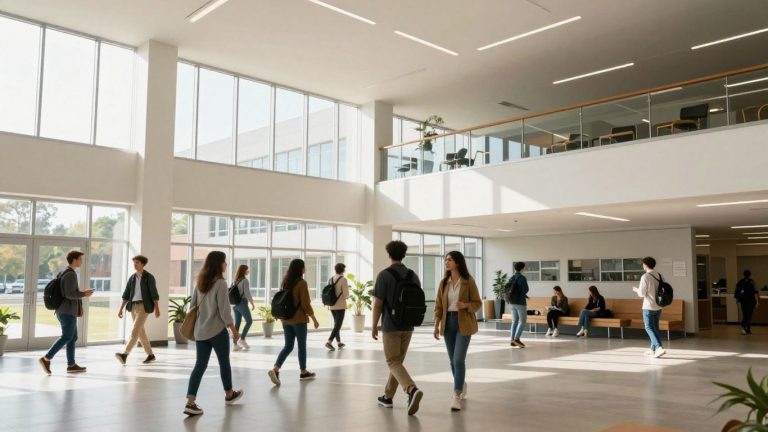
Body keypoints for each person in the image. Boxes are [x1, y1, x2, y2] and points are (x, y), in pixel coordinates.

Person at [184, 251, 244, 416]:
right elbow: (224, 311)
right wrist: (234, 330)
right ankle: (229, 394)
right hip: (217, 331)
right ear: (218, 264)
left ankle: (190, 402)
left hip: (200, 331)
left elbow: (192, 307)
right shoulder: (221, 283)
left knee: (200, 365)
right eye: (224, 261)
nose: (226, 264)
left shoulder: (200, 282)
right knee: (224, 363)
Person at [372, 240, 424, 416]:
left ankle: (411, 389)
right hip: (409, 324)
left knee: (393, 361)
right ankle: (387, 397)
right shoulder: (412, 275)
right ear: (404, 254)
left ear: (389, 254)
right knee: (397, 362)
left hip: (391, 325)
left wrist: (374, 325)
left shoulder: (384, 275)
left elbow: (378, 304)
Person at [433, 251, 481, 412]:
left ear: (458, 263)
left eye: (450, 260)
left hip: (463, 323)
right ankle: (461, 383)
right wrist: (436, 325)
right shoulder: (444, 282)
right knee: (452, 361)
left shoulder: (468, 281)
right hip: (448, 323)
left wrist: (466, 305)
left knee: (459, 359)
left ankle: (456, 396)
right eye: (445, 260)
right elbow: (438, 306)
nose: (446, 262)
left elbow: (477, 303)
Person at [39, 250, 93, 375]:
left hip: (66, 311)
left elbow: (68, 293)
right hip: (67, 311)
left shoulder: (65, 273)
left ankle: (71, 365)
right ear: (74, 260)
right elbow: (69, 294)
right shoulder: (70, 275)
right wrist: (84, 294)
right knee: (67, 336)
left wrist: (82, 293)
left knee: (72, 337)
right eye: (80, 259)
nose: (82, 261)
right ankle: (46, 358)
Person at [267, 259, 319, 386]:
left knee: (288, 346)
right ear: (300, 269)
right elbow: (305, 304)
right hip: (299, 320)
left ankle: (276, 369)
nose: (305, 269)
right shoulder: (302, 283)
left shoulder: (285, 282)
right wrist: (314, 319)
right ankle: (303, 372)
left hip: (286, 319)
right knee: (301, 346)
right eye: (304, 267)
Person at [115, 255, 160, 365]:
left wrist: (157, 309)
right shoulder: (132, 278)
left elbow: (154, 294)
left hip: (144, 307)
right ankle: (150, 355)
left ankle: (125, 354)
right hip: (133, 306)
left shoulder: (149, 277)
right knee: (141, 332)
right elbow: (126, 295)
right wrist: (121, 309)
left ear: (143, 264)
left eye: (137, 263)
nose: (135, 264)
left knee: (135, 331)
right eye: (134, 263)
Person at [632, 257, 665, 357]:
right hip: (658, 306)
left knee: (648, 327)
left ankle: (659, 347)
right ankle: (652, 349)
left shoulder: (645, 276)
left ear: (646, 265)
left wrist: (636, 290)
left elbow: (641, 294)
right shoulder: (659, 275)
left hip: (648, 306)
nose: (642, 265)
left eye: (643, 264)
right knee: (655, 327)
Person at [326, 262, 350, 351]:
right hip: (340, 305)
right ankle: (329, 341)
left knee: (336, 324)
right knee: (338, 325)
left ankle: (339, 343)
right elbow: (346, 294)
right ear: (343, 270)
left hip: (332, 305)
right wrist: (347, 297)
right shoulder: (343, 279)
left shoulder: (330, 279)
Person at [231, 265, 256, 351]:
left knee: (237, 323)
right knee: (249, 321)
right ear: (243, 271)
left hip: (234, 304)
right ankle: (242, 338)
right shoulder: (245, 280)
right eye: (247, 270)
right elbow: (247, 293)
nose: (248, 271)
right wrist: (252, 303)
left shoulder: (235, 281)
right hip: (242, 303)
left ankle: (235, 345)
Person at [507, 261, 529, 348]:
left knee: (514, 321)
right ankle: (516, 339)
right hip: (520, 302)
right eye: (524, 267)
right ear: (522, 268)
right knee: (522, 321)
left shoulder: (512, 277)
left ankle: (512, 340)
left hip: (512, 302)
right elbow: (525, 289)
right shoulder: (522, 278)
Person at [735, 270, 760, 335]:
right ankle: (745, 327)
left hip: (743, 301)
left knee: (745, 314)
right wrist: (757, 301)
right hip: (750, 301)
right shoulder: (752, 282)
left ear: (743, 275)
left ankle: (746, 328)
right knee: (748, 315)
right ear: (750, 275)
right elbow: (755, 292)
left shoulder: (740, 282)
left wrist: (737, 300)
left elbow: (737, 291)